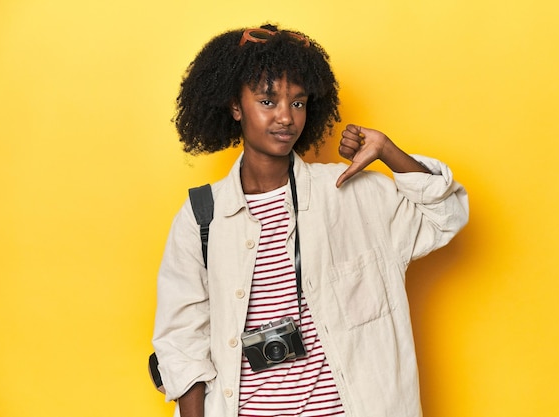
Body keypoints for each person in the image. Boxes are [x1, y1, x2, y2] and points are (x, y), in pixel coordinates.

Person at [152, 23, 469, 417]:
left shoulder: (350, 193)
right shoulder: (202, 217)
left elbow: (445, 216)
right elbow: (182, 342)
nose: (286, 118)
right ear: (236, 106)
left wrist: (388, 150)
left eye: (298, 103)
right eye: (268, 102)